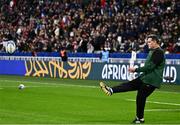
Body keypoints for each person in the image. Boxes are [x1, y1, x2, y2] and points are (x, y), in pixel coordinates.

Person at [100, 34, 165, 124]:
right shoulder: (153, 51)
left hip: (151, 81)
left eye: (149, 42)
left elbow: (150, 67)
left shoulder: (159, 52)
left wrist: (136, 69)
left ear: (155, 42)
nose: (148, 44)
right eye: (147, 42)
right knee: (130, 86)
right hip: (146, 78)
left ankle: (140, 118)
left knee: (140, 97)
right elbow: (149, 67)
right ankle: (111, 90)